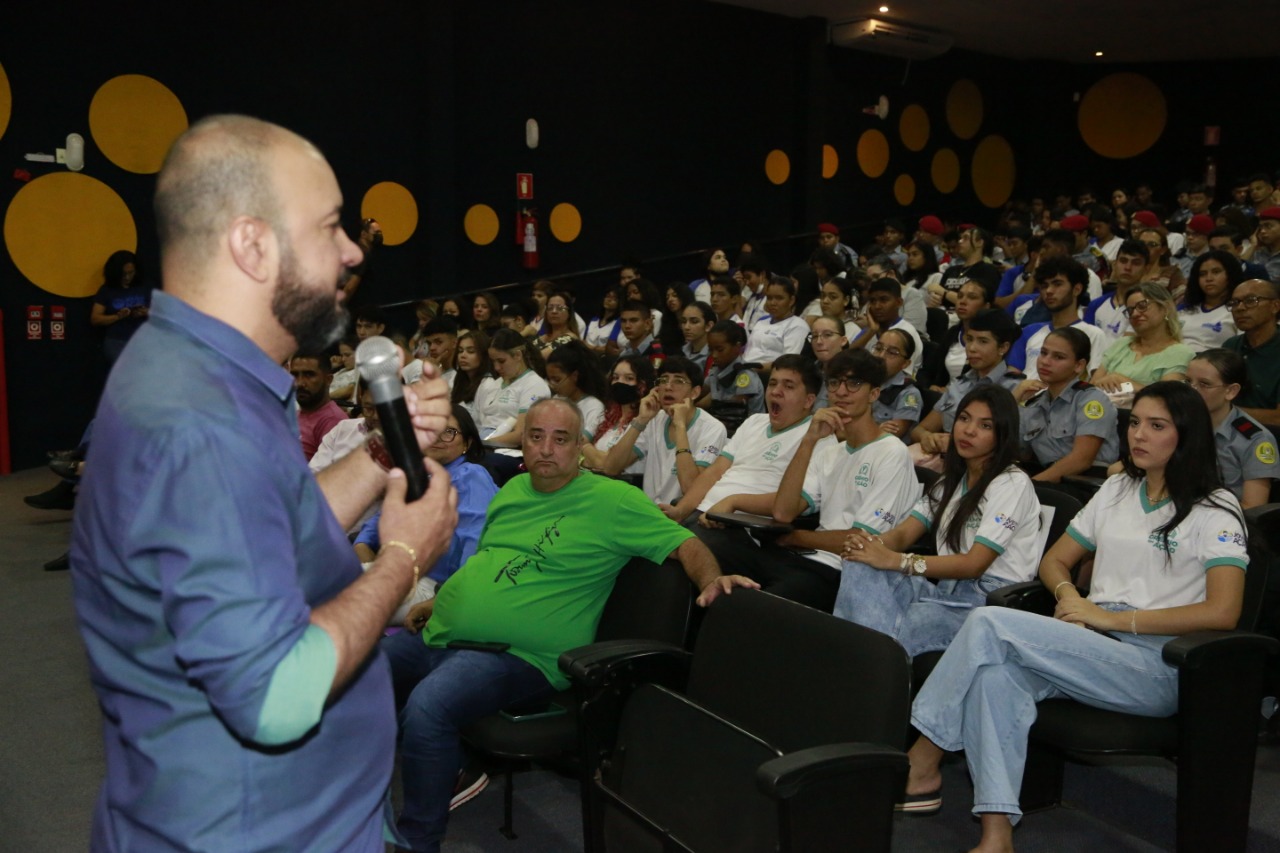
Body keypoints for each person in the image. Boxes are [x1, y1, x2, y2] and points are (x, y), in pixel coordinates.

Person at [69, 115, 459, 853]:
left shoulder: (205, 372)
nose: (351, 251)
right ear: (252, 245)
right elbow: (276, 695)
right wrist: (404, 558)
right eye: (331, 227)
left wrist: (380, 450)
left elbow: (267, 524)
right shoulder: (198, 423)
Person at [381, 398, 756, 852]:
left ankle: (417, 841)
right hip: (449, 630)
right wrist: (442, 599)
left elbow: (684, 544)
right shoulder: (513, 489)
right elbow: (490, 559)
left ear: (581, 446)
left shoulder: (614, 500)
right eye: (536, 436)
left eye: (561, 439)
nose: (546, 448)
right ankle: (409, 781)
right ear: (522, 440)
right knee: (359, 670)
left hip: (521, 655)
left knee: (427, 708)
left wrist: (713, 578)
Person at [905, 381, 1249, 851]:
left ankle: (924, 755)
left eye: (1156, 426)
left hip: (1158, 663)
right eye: (1134, 424)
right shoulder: (1116, 489)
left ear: (1187, 436)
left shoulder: (1217, 507)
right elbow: (1054, 561)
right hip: (1092, 640)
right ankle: (996, 834)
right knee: (995, 679)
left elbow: (1223, 611)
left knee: (987, 622)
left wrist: (1110, 620)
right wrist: (1070, 597)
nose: (1138, 436)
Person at [693, 350, 921, 612]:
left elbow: (861, 541)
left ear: (874, 394)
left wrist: (797, 538)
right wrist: (809, 440)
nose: (842, 392)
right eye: (835, 383)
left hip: (838, 569)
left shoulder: (891, 452)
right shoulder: (832, 450)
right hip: (794, 556)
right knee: (696, 547)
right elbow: (783, 511)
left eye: (854, 384)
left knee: (752, 608)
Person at [834, 385, 1041, 656]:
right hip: (943, 590)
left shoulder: (1012, 483)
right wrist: (869, 545)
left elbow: (973, 564)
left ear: (1002, 434)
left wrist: (897, 561)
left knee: (899, 628)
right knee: (859, 564)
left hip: (983, 603)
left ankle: (864, 663)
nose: (968, 430)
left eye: (985, 425)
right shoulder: (951, 480)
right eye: (964, 419)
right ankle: (871, 659)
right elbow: (903, 535)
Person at [354, 405, 498, 624]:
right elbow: (376, 523)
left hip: (436, 587)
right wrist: (363, 547)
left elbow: (475, 544)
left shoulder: (470, 476)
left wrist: (446, 598)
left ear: (467, 444)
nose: (438, 437)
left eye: (448, 432)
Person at [659, 354, 816, 525]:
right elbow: (715, 472)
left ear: (808, 400)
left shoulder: (815, 436)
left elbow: (790, 506)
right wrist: (681, 510)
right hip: (703, 512)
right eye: (772, 383)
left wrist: (732, 502)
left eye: (788, 386)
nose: (776, 391)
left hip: (741, 526)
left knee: (667, 547)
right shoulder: (754, 422)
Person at [599, 356, 726, 504]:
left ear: (695, 393)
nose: (668, 387)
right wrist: (641, 420)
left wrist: (680, 426)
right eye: (663, 380)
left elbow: (690, 488)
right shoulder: (653, 419)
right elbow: (611, 468)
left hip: (683, 519)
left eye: (678, 381)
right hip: (649, 513)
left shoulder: (712, 428)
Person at [912, 309, 1025, 457]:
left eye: (983, 341)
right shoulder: (959, 384)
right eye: (969, 339)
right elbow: (919, 430)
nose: (971, 348)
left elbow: (1016, 448)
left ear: (1003, 347)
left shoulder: (1015, 389)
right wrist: (927, 437)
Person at [1016, 327, 1120, 481]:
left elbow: (1081, 461)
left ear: (1079, 365)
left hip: (1085, 483)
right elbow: (1011, 452)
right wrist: (1013, 400)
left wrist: (1032, 486)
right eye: (1043, 353)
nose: (1045, 361)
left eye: (1058, 357)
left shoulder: (1092, 401)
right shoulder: (1034, 404)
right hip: (1047, 480)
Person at [1178, 349, 1276, 508]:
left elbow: (1252, 508)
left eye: (1204, 384)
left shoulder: (1256, 439)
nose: (1192, 391)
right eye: (1188, 382)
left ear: (1231, 391)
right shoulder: (1176, 423)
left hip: (1224, 521)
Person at [1092, 283, 1194, 394]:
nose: (1134, 314)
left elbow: (1166, 398)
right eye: (1130, 310)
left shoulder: (1181, 353)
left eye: (1142, 306)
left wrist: (1123, 381)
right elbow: (1092, 387)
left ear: (1165, 308)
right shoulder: (1121, 344)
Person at [581, 354, 654, 476]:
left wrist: (586, 449)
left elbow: (608, 466)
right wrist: (597, 456)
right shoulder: (605, 415)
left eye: (629, 378)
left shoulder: (647, 422)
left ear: (642, 385)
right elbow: (577, 442)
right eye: (615, 378)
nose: (619, 382)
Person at [1223, 279, 1280, 428]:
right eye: (1234, 302)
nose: (1240, 308)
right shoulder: (1230, 345)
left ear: (1275, 306)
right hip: (1229, 434)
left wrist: (1223, 412)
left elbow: (1278, 418)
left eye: (1251, 300)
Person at [90, 250, 151, 362]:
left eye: (130, 273)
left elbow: (163, 313)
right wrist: (117, 316)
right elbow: (95, 319)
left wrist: (146, 312)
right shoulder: (107, 290)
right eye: (123, 274)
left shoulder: (144, 287)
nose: (127, 277)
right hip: (117, 341)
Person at [289, 351, 349, 461]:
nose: (300, 383)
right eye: (295, 375)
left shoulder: (333, 421)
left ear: (328, 380)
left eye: (309, 375)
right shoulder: (295, 413)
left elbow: (330, 473)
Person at [1178, 249, 1241, 352]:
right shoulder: (1183, 307)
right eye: (1202, 274)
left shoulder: (1239, 310)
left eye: (1216, 272)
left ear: (1230, 275)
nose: (1208, 278)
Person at [743, 279, 810, 373]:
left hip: (770, 375)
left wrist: (751, 368)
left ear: (791, 300)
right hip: (746, 371)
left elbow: (789, 362)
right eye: (769, 298)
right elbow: (748, 352)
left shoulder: (797, 325)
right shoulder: (761, 322)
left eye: (779, 298)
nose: (772, 303)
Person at [545, 340, 608, 437]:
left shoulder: (593, 407)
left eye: (557, 380)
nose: (552, 385)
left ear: (574, 376)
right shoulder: (556, 400)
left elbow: (583, 441)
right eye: (549, 379)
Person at [871, 329, 924, 439]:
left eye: (892, 353)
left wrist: (871, 432)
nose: (881, 356)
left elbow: (891, 436)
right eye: (878, 348)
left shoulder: (909, 394)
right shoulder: (863, 381)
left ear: (905, 363)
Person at [451, 328, 492, 415]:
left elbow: (485, 424)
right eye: (460, 351)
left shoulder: (488, 384)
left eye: (471, 351)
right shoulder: (459, 381)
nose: (463, 355)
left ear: (484, 354)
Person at [583, 286, 622, 356]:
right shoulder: (594, 320)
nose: (609, 300)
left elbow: (611, 348)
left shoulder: (618, 322)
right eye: (607, 296)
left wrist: (591, 348)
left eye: (614, 298)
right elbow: (583, 341)